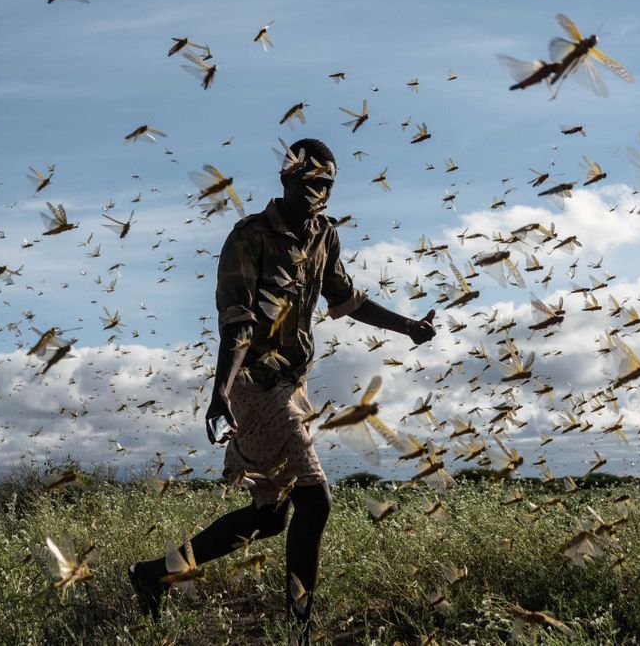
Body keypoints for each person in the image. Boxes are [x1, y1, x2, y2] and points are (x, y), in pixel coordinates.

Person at [129, 137, 436, 640]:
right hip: (251, 383)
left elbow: (347, 299)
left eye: (329, 186)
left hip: (292, 382)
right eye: (313, 182)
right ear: (288, 178)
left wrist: (408, 327)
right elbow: (238, 324)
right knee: (316, 502)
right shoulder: (248, 237)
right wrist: (220, 391)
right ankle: (302, 630)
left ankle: (150, 575)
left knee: (269, 518)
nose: (321, 193)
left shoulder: (324, 236)